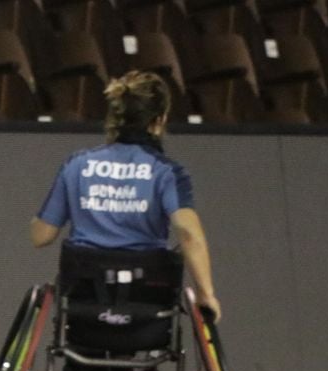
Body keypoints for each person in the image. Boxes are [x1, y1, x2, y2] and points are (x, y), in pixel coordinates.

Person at [29, 70, 221, 322]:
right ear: (160, 120)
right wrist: (206, 295)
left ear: (115, 118)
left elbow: (41, 236)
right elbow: (188, 233)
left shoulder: (77, 165)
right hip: (147, 306)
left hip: (85, 304)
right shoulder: (167, 173)